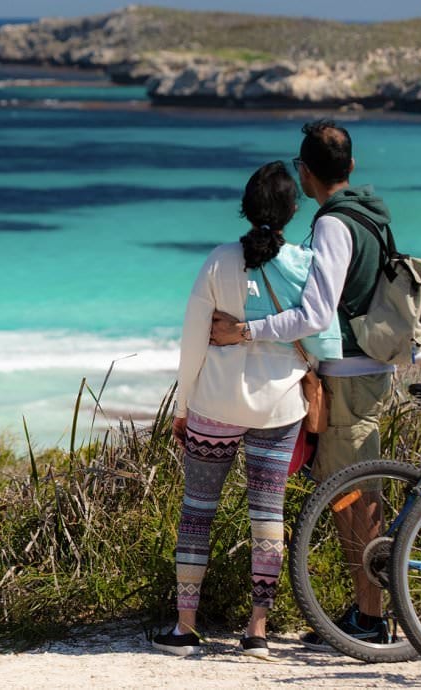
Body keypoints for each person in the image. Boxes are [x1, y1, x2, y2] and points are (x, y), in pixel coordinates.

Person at [210, 119, 395, 650]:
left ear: (305, 172)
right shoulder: (370, 215)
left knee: (352, 495)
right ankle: (367, 610)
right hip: (370, 367)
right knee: (355, 491)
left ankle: (371, 616)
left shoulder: (335, 225)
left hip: (352, 372)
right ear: (351, 167)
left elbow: (315, 315)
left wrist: (247, 331)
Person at [153, 161, 341, 661]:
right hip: (279, 408)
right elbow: (321, 341)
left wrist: (183, 406)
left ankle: (185, 625)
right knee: (267, 515)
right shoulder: (303, 264)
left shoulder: (217, 261)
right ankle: (257, 630)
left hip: (214, 402)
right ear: (292, 210)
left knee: (197, 511)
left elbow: (193, 343)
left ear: (245, 207)